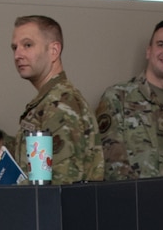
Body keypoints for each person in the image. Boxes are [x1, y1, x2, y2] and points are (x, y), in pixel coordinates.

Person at [95, 20, 163, 180]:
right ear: (149, 51)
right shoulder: (117, 98)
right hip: (131, 201)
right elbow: (109, 164)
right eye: (161, 44)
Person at [10, 15, 103, 184]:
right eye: (14, 48)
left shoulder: (60, 104)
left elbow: (63, 186)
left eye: (27, 45)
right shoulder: (48, 101)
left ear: (54, 50)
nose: (18, 54)